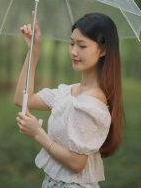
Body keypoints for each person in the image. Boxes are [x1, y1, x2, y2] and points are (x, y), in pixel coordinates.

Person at [14, 12, 124, 188]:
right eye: (72, 43)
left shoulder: (91, 103)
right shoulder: (68, 92)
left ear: (102, 50)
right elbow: (22, 98)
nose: (74, 51)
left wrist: (37, 133)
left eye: (82, 45)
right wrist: (33, 52)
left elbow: (76, 164)